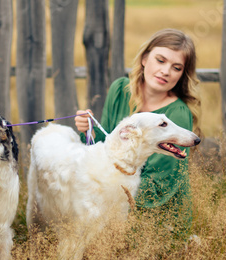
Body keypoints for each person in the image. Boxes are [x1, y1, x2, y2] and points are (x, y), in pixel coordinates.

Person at [75, 28, 201, 239]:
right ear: (144, 59)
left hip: (155, 213)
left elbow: (160, 185)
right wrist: (88, 131)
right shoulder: (120, 90)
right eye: (160, 60)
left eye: (176, 67)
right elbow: (106, 149)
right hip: (113, 200)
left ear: (181, 74)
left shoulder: (176, 114)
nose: (166, 71)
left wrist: (108, 202)